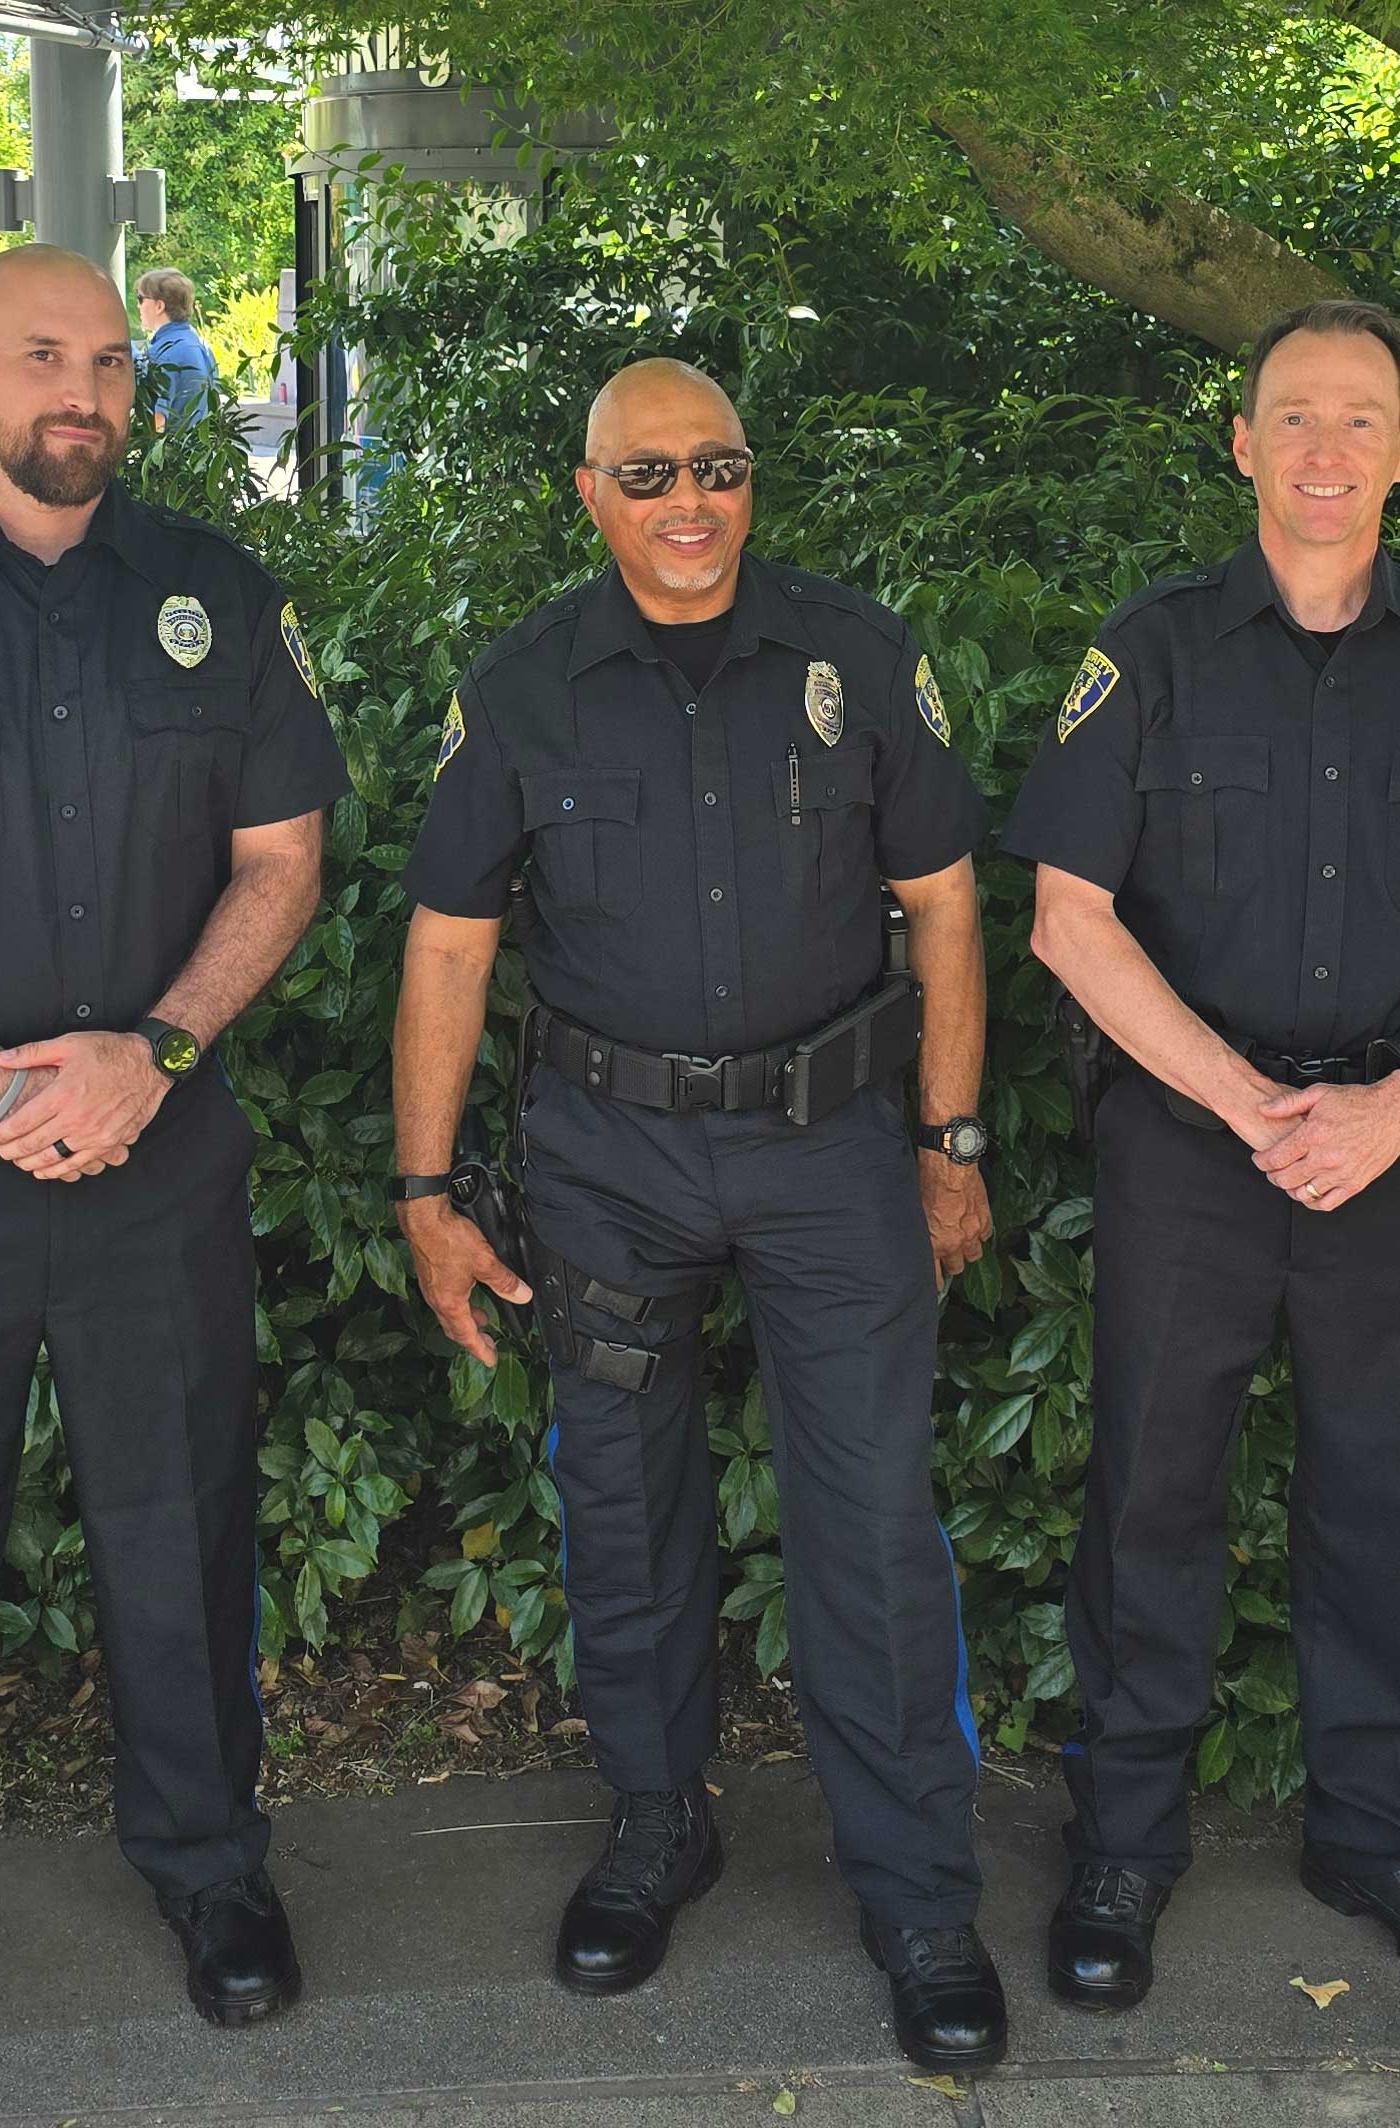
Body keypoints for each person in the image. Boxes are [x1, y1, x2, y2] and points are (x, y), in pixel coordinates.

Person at [394, 356, 1007, 2071]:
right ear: (586, 493)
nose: (688, 504)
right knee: (621, 1498)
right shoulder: (521, 689)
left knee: (873, 1517)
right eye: (648, 474)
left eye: (718, 469)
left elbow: (945, 908)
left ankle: (917, 1893)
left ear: (754, 483)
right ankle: (662, 1821)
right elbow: (449, 943)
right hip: (606, 1154)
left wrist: (951, 1139)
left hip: (831, 1151)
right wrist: (424, 1192)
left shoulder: (859, 659)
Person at [1000, 300, 1400, 2009]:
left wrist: (1388, 1116)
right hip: (1190, 1145)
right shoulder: (1149, 654)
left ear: (1399, 450)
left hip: (1391, 1143)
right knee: (1153, 1493)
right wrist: (1250, 1107)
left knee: (1380, 1492)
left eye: (1363, 418)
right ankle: (1128, 1838)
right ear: (1240, 443)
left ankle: (1370, 1828)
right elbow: (1067, 921)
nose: (1326, 447)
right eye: (1293, 415)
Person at [0, 244, 349, 2023]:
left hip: (156, 1155)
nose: (86, 390)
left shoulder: (216, 591)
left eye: (111, 363)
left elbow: (282, 861)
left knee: (180, 1526)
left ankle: (214, 1876)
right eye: (43, 355)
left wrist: (147, 1049)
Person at [136, 268, 218, 432]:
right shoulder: (202, 345)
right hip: (200, 450)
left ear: (159, 306)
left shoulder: (164, 352)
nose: (138, 306)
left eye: (141, 299)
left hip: (173, 452)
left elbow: (157, 419)